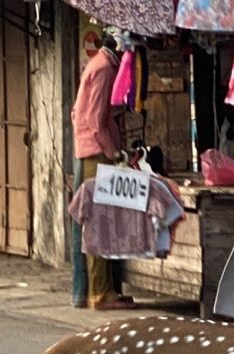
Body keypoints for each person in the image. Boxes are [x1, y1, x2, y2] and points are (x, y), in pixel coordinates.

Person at [70, 35, 135, 310]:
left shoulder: (97, 64)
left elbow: (79, 113)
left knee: (94, 220)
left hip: (88, 149)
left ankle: (94, 291)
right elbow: (95, 120)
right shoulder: (105, 68)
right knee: (100, 222)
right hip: (96, 153)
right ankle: (100, 292)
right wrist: (113, 152)